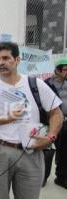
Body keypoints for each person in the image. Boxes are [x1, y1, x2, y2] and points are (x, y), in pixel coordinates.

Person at [0, 42, 63, 199]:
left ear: (17, 60)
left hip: (32, 151)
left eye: (6, 58)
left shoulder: (35, 84)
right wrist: (7, 118)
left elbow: (56, 113)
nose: (1, 62)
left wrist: (50, 137)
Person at [44, 57, 67, 189]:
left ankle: (61, 177)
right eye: (65, 69)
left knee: (64, 153)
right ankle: (43, 177)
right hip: (51, 124)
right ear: (57, 70)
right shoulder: (47, 84)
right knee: (48, 151)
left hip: (66, 124)